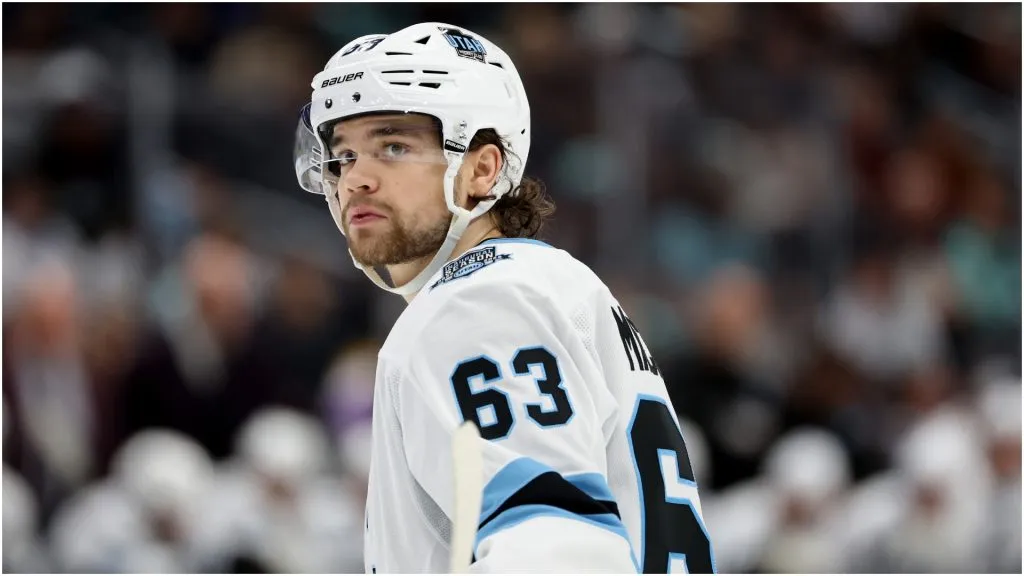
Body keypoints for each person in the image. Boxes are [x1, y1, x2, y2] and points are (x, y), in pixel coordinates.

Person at [293, 22, 715, 573]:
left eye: (393, 146)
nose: (355, 180)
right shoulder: (540, 285)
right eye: (344, 155)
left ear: (482, 169)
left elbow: (558, 551)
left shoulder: (478, 303)